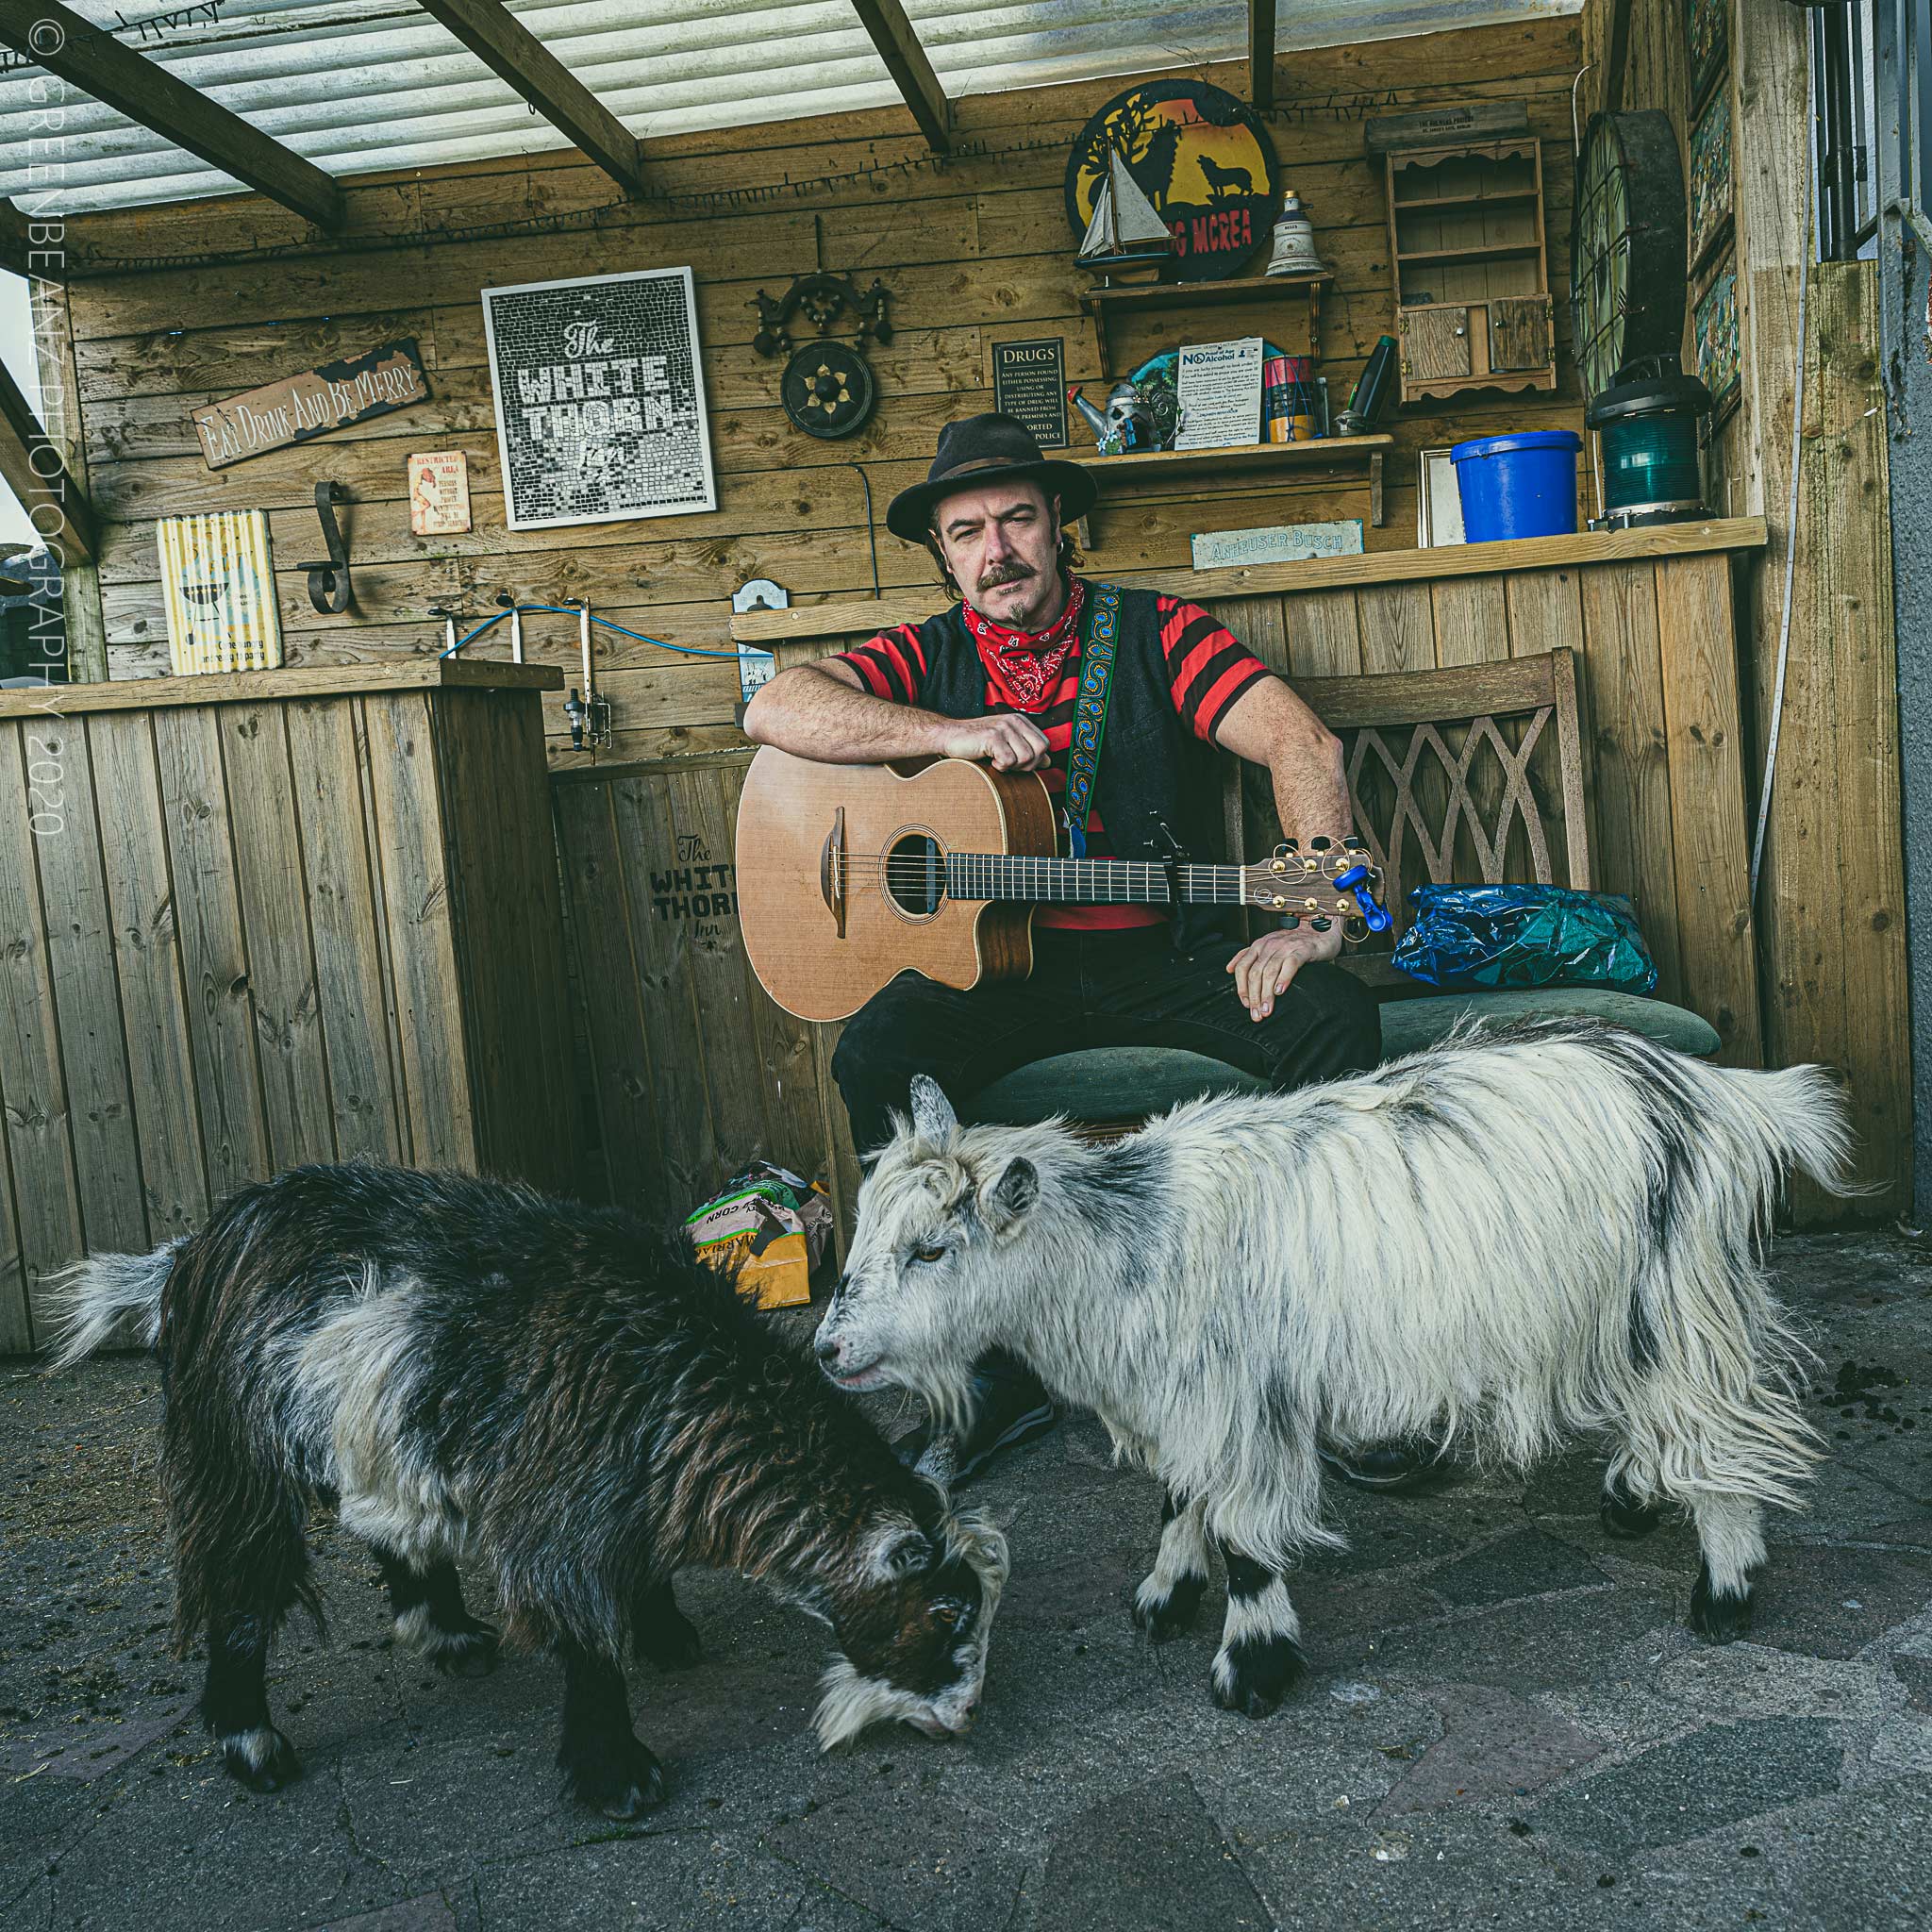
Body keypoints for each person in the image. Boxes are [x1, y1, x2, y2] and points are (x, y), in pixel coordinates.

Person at [744, 413, 1437, 1491]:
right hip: (994, 973)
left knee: (1333, 1022)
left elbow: (1301, 741)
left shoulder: (1155, 633)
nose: (995, 549)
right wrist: (946, 733)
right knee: (875, 1052)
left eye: (1016, 518)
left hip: (1159, 957)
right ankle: (972, 1371)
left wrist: (1310, 921)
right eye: (966, 530)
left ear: (1057, 524)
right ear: (942, 549)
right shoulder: (921, 656)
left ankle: (1329, 1352)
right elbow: (776, 704)